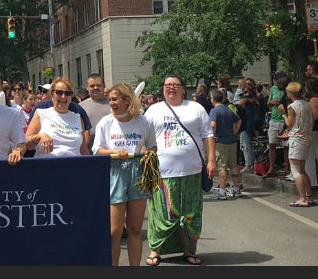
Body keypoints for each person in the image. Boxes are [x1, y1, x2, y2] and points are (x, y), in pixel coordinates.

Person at [143, 75, 215, 266]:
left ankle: (188, 251)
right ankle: (155, 251)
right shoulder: (153, 110)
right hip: (162, 173)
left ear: (184, 89)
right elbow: (143, 138)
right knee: (161, 214)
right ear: (163, 88)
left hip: (191, 171)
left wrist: (211, 160)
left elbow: (208, 134)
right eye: (168, 85)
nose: (171, 88)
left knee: (191, 214)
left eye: (175, 85)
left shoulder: (195, 108)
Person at [92, 83, 156, 266]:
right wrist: (114, 153)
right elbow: (96, 150)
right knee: (114, 231)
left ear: (127, 101)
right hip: (115, 172)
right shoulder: (106, 122)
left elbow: (152, 146)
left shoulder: (143, 121)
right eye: (110, 99)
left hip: (138, 172)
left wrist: (146, 156)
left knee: (135, 229)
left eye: (114, 99)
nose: (111, 103)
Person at [26, 77, 91, 158]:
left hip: (74, 167)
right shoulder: (41, 114)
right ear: (52, 94)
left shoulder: (77, 118)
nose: (63, 97)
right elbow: (27, 144)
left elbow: (83, 150)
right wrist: (39, 136)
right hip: (47, 167)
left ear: (71, 96)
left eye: (67, 93)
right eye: (59, 93)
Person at [282, 82, 314, 207]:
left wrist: (283, 113)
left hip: (296, 138)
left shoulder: (292, 106)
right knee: (302, 169)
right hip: (306, 138)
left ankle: (302, 198)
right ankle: (309, 196)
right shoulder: (307, 104)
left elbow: (289, 124)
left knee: (296, 171)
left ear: (290, 93)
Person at [209, 89, 241, 199]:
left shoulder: (214, 111)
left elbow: (213, 125)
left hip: (221, 141)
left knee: (222, 166)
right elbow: (238, 120)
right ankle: (237, 189)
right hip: (232, 140)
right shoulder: (228, 110)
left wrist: (212, 135)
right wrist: (235, 131)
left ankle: (222, 191)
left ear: (212, 99)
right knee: (233, 165)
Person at [263, 71, 288, 178]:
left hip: (284, 119)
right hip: (274, 119)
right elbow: (268, 103)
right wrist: (272, 102)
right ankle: (271, 168)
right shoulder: (273, 88)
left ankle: (287, 168)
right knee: (272, 144)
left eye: (275, 79)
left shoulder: (286, 89)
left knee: (286, 146)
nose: (274, 81)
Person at [304, 77, 318, 188]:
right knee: (316, 154)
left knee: (317, 155)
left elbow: (314, 115)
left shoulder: (314, 100)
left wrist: (307, 128)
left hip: (315, 130)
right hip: (316, 130)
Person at [78, 74, 110, 148]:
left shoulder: (113, 103)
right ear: (87, 88)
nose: (95, 88)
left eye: (98, 85)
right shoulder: (80, 107)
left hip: (112, 150)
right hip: (88, 151)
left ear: (104, 86)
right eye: (92, 86)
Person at [237, 79, 258, 172]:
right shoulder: (246, 96)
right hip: (246, 123)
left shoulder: (251, 97)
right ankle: (252, 164)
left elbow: (239, 103)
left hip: (248, 123)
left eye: (249, 84)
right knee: (246, 144)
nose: (246, 87)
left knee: (246, 144)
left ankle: (249, 164)